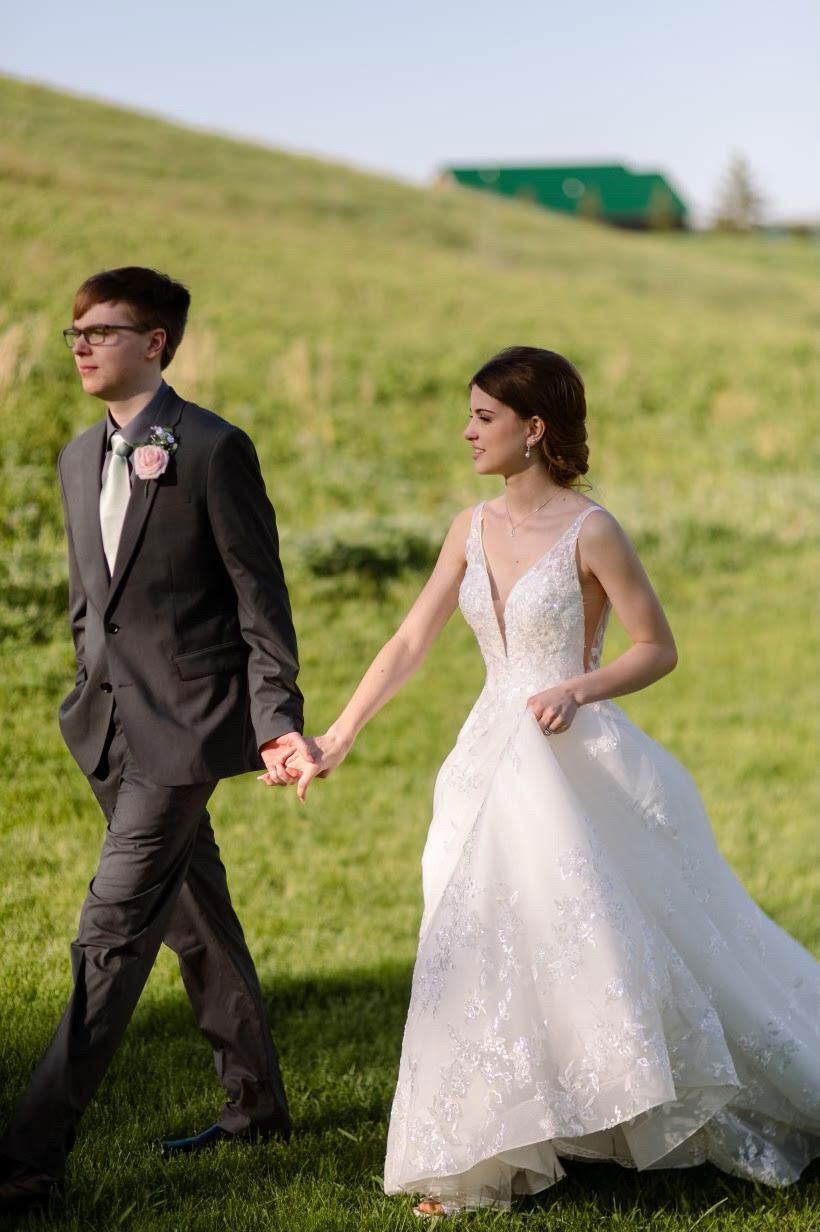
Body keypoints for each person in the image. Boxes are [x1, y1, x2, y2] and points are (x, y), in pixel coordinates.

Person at [273, 346, 820, 1216]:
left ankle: (614, 1107)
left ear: (534, 430)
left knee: (591, 936)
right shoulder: (468, 526)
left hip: (569, 755)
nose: (467, 431)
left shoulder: (591, 529)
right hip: (484, 755)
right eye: (470, 414)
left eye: (483, 417)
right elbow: (410, 642)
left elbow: (656, 647)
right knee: (472, 934)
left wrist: (577, 685)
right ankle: (480, 1151)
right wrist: (335, 738)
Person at [0, 267, 312, 1213]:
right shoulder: (71, 457)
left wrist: (277, 722)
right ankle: (255, 1107)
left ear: (156, 343)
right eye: (75, 333)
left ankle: (28, 1155)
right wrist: (82, 683)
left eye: (103, 331)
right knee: (198, 920)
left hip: (181, 737)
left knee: (110, 933)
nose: (84, 345)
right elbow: (88, 603)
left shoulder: (214, 449)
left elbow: (261, 604)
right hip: (103, 729)